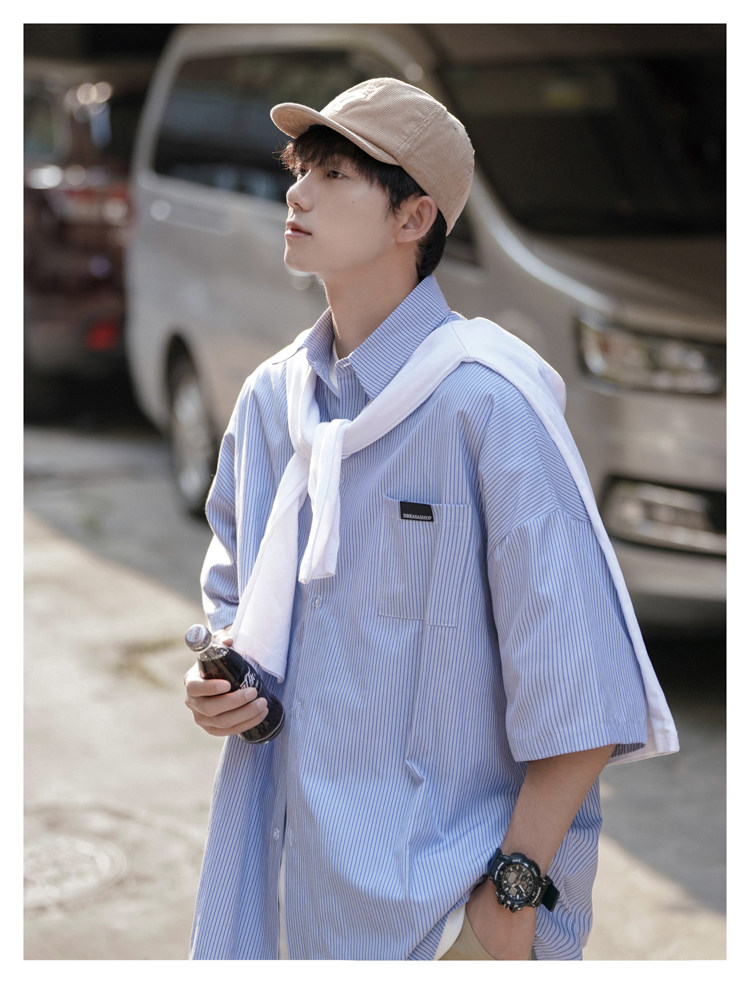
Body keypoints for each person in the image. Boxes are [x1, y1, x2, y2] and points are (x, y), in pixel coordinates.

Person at [183, 77, 679, 961]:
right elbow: (235, 605)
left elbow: (585, 693)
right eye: (300, 170)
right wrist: (223, 687)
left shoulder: (488, 408)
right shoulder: (272, 403)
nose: (297, 194)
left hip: (439, 914)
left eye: (335, 175)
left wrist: (508, 903)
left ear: (414, 217)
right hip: (282, 892)